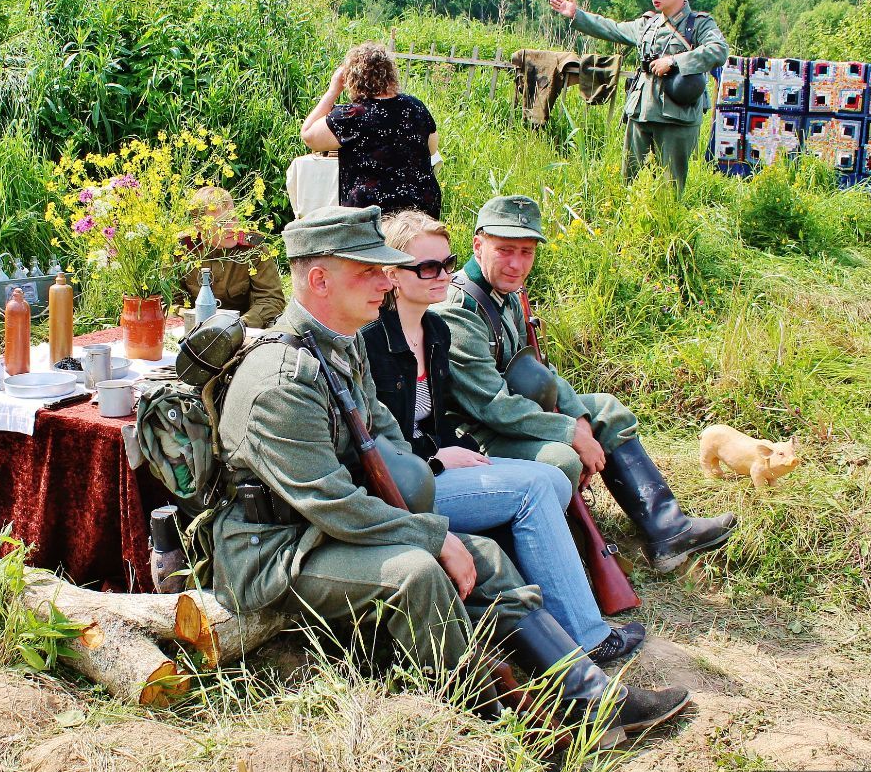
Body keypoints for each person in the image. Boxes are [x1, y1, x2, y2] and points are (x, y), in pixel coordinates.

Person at [212, 203, 689, 738]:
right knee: (416, 573)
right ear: (319, 279)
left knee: (483, 553)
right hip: (278, 550)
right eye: (368, 270)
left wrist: (426, 496)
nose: (383, 281)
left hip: (328, 530)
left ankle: (587, 696)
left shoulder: (340, 345)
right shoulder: (284, 378)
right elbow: (330, 501)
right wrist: (432, 536)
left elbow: (387, 434)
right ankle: (503, 722)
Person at [362, 210, 644, 663]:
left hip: (433, 465)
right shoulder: (371, 338)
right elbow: (374, 442)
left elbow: (436, 422)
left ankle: (561, 605)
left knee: (552, 479)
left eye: (447, 264)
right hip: (399, 489)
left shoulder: (433, 329)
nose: (443, 276)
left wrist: (449, 450)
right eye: (427, 267)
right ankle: (587, 636)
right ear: (391, 273)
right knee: (535, 486)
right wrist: (436, 459)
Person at [435, 196, 735, 573]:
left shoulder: (508, 294)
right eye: (505, 250)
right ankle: (568, 556)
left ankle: (667, 529)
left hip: (513, 411)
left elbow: (536, 368)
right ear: (478, 245)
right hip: (475, 430)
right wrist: (570, 434)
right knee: (562, 458)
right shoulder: (458, 309)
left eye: (526, 252)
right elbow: (492, 405)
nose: (516, 264)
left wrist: (577, 417)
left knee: (607, 410)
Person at [549, 0, 728, 195]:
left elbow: (719, 50)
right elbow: (612, 29)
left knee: (670, 187)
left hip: (677, 114)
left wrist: (674, 61)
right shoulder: (647, 24)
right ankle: (631, 226)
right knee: (630, 181)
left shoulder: (699, 24)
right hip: (642, 110)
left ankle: (667, 227)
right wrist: (577, 14)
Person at [299, 43, 441, 219]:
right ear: (390, 74)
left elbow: (308, 135)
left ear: (353, 79)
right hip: (423, 210)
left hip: (373, 218)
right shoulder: (415, 106)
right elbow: (432, 148)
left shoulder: (352, 115)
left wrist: (333, 90)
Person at [179, 186, 285, 329]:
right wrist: (190, 320)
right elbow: (170, 301)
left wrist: (238, 325)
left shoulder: (253, 248)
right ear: (200, 226)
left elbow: (271, 299)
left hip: (242, 330)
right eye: (222, 223)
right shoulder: (182, 250)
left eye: (233, 218)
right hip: (192, 329)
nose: (231, 227)